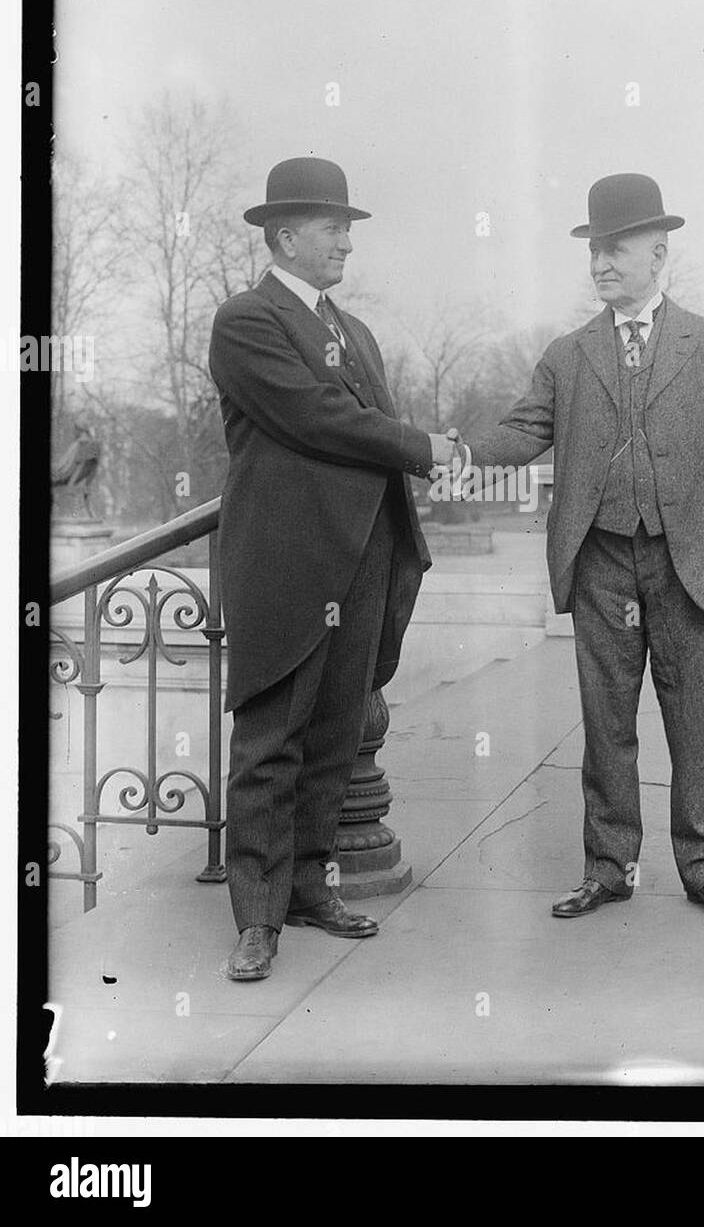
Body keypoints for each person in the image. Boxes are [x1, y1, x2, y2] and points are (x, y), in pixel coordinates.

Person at [458, 173, 704, 923]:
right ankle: (608, 867)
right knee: (605, 722)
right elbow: (521, 431)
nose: (599, 264)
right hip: (600, 562)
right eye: (593, 251)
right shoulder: (568, 356)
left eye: (614, 250)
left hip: (688, 562)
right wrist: (454, 453)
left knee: (694, 719)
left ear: (658, 252)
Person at [208, 157, 458, 980]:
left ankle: (311, 889)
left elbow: (361, 425)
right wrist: (425, 448)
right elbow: (318, 418)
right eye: (331, 227)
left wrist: (421, 457)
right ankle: (255, 918)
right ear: (284, 236)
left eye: (347, 228)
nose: (346, 240)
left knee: (333, 734)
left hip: (362, 561)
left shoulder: (355, 331)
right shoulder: (245, 320)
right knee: (269, 738)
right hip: (284, 566)